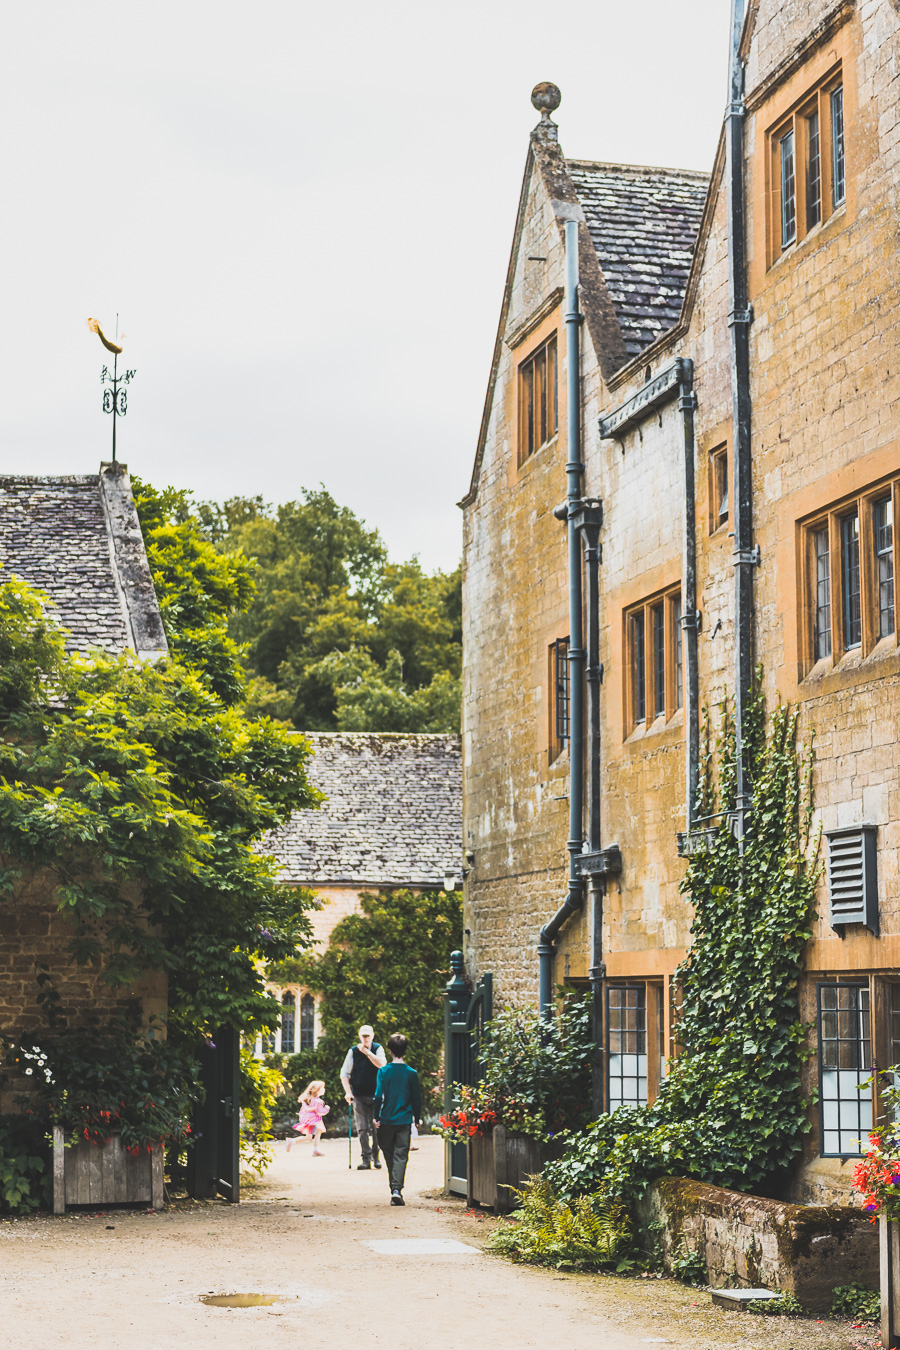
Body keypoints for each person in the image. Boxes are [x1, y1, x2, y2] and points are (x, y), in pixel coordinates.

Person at [373, 1032, 422, 1206]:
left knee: (388, 1153)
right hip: (404, 1119)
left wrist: (376, 1116)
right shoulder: (411, 1073)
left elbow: (378, 1096)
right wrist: (417, 1118)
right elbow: (416, 1098)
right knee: (401, 1155)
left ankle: (394, 1188)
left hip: (386, 1119)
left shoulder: (383, 1072)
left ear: (389, 1050)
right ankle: (396, 1189)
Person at [340, 1024, 386, 1169]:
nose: (366, 1038)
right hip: (358, 1095)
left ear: (372, 1036)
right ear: (360, 1037)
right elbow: (344, 1074)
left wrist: (367, 1052)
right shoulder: (353, 1051)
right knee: (362, 1128)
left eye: (368, 1036)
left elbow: (382, 1064)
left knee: (377, 1127)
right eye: (363, 1036)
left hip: (376, 1095)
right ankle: (366, 1158)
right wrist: (348, 1091)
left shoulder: (378, 1049)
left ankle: (376, 1156)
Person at [289, 1079, 329, 1156]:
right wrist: (327, 1108)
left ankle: (315, 1149)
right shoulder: (318, 1101)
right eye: (322, 1088)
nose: (324, 1089)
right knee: (311, 1136)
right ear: (317, 1090)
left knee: (316, 1133)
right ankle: (292, 1141)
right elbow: (320, 1112)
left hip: (308, 1119)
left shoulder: (309, 1099)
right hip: (314, 1120)